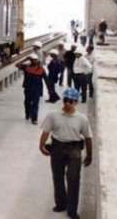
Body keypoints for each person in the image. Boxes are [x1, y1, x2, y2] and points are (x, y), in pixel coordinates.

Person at [39, 88, 93, 219]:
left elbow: (88, 137)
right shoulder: (53, 116)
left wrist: (89, 154)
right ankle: (60, 204)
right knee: (58, 176)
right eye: (65, 100)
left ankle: (72, 210)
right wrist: (41, 145)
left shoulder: (82, 119)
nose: (67, 103)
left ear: (76, 102)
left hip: (74, 150)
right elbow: (46, 131)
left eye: (71, 101)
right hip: (57, 147)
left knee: (73, 179)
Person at [16, 53, 45, 124]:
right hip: (28, 88)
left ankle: (34, 119)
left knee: (35, 103)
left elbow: (46, 78)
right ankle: (27, 114)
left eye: (35, 60)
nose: (34, 61)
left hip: (36, 89)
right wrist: (25, 59)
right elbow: (17, 65)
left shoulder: (40, 68)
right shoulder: (26, 67)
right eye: (33, 60)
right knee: (27, 102)